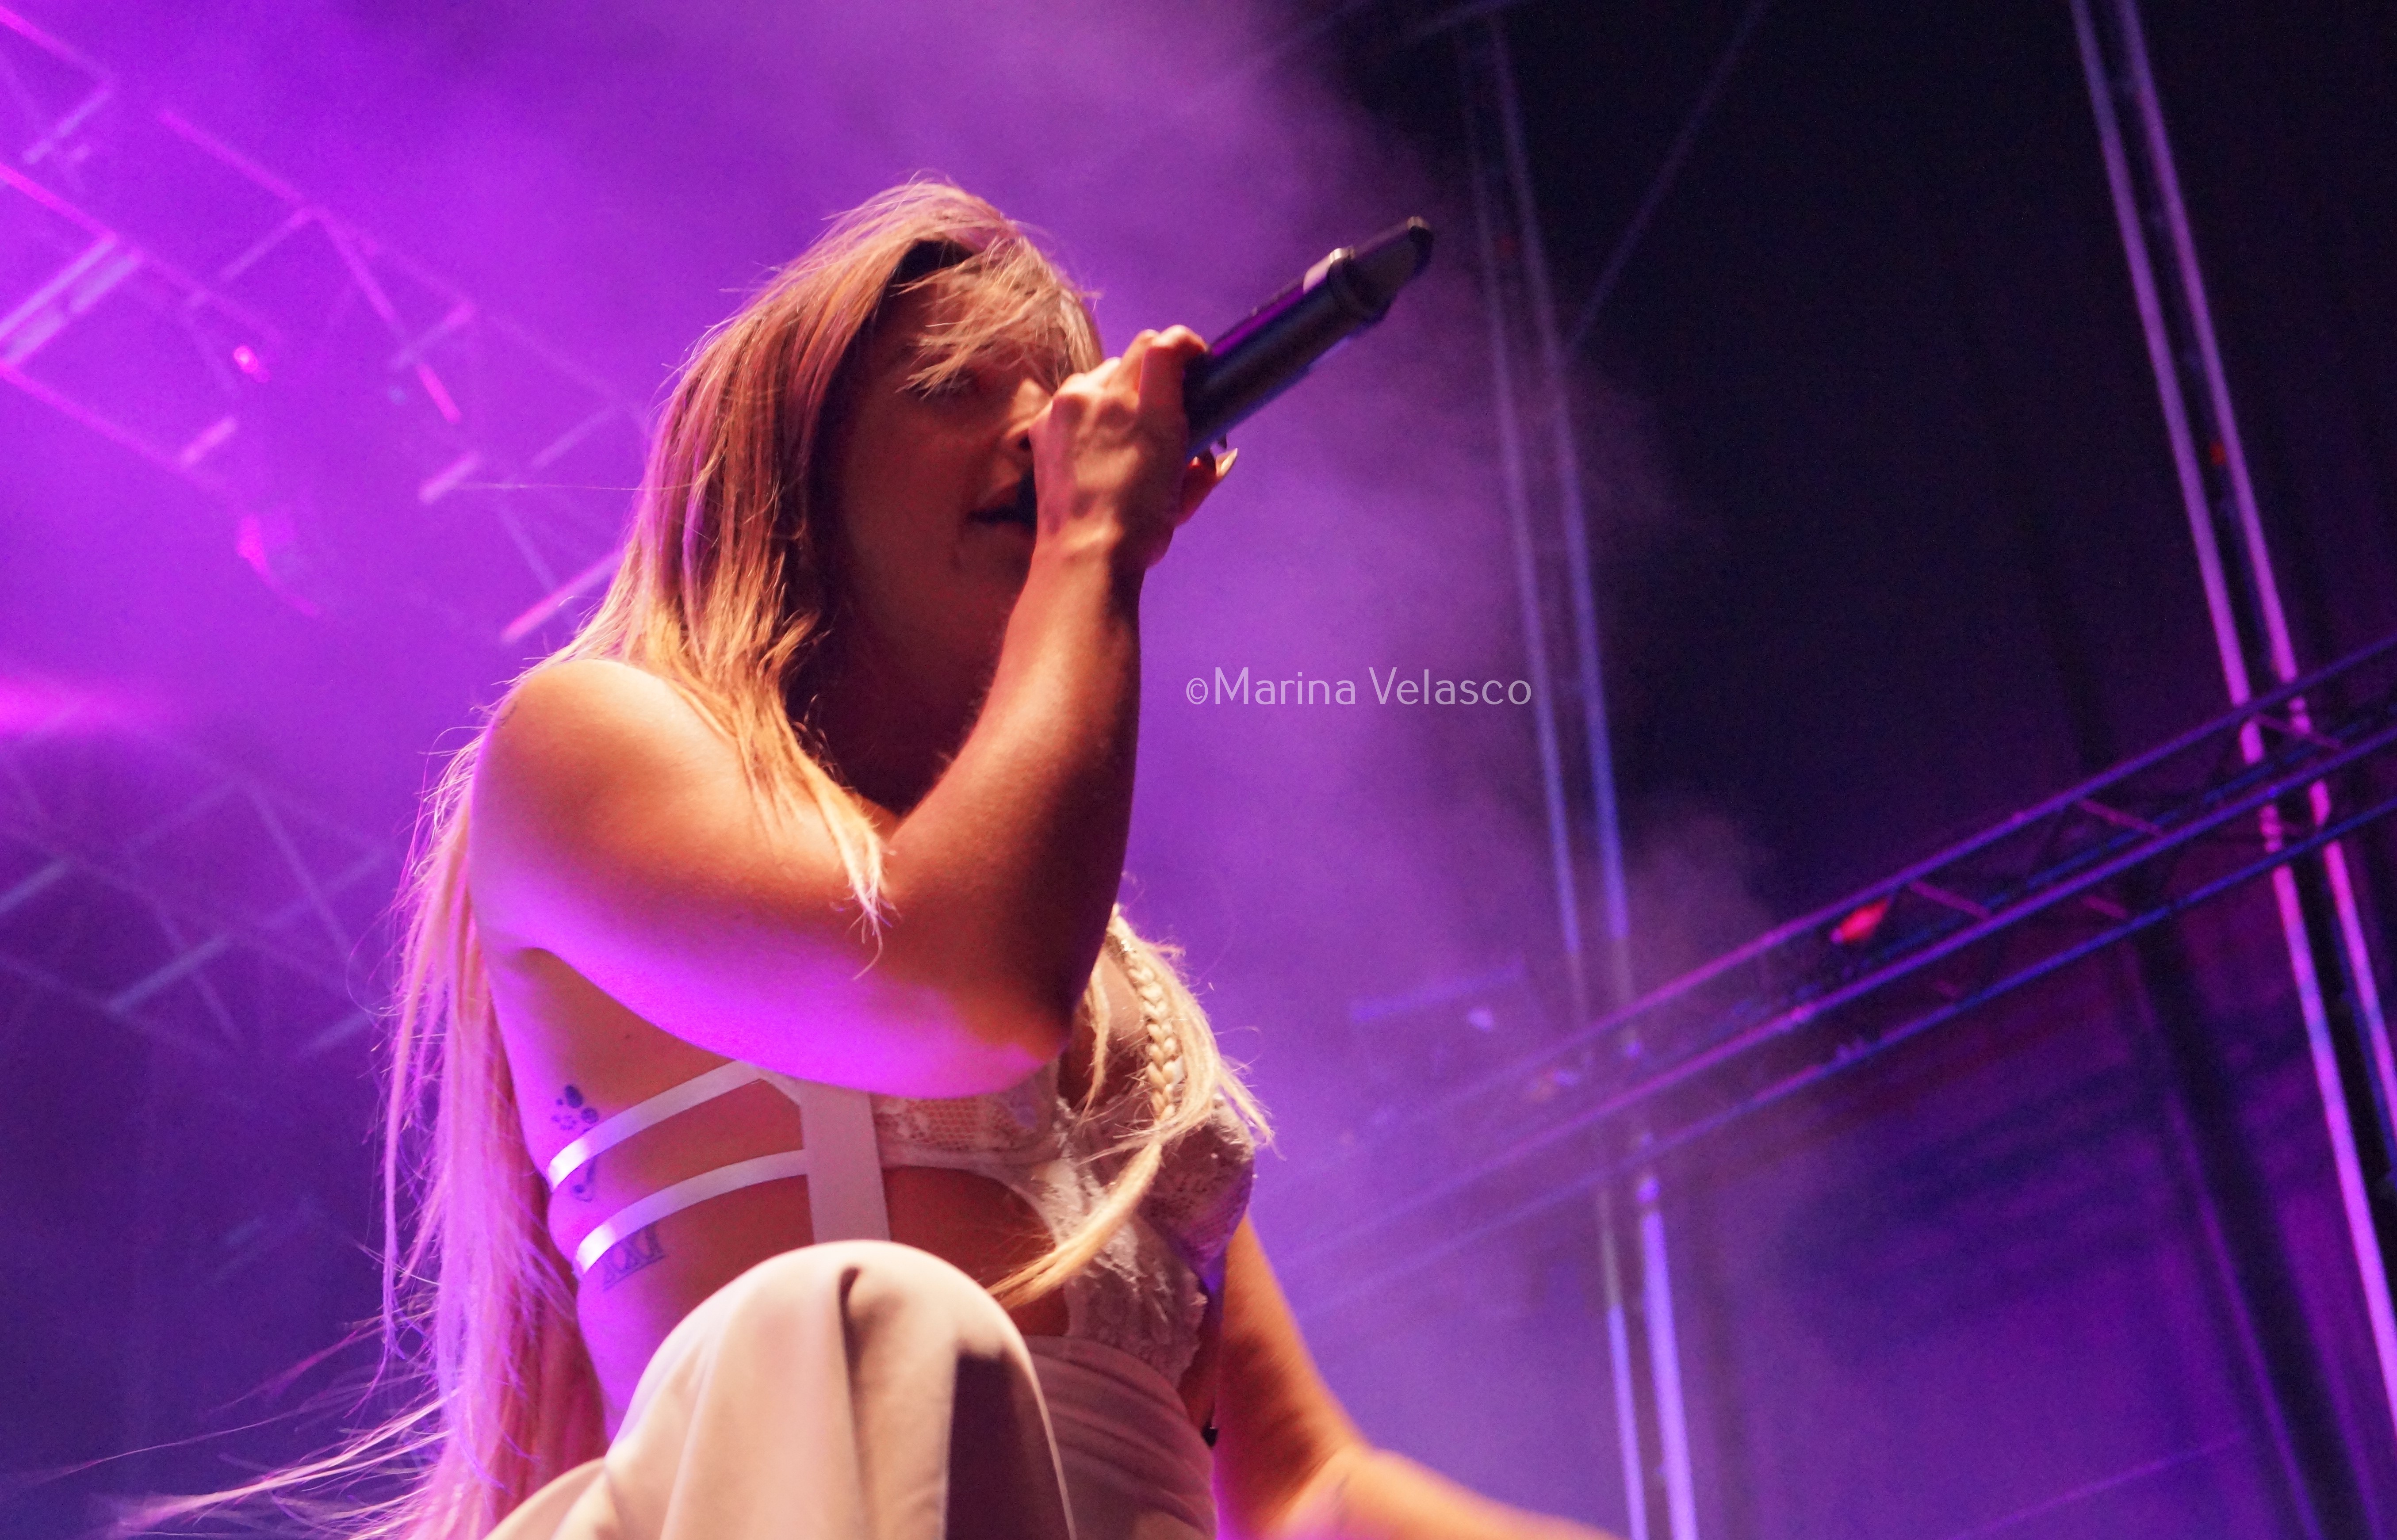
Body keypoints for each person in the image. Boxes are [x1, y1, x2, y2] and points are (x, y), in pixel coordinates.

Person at [231, 180, 1616, 1540]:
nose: (1041, 433)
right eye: (953, 387)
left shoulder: (1099, 969)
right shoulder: (587, 738)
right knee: (885, 1319)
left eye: (1060, 401)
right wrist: (1094, 543)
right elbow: (958, 991)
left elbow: (1302, 1486)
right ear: (790, 477)